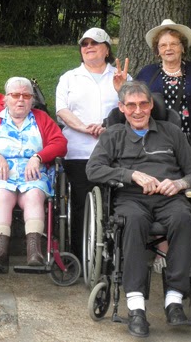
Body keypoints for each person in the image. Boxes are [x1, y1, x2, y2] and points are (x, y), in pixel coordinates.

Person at [86, 80, 191, 338]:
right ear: (122, 107)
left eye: (143, 104)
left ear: (151, 105)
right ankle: (136, 307)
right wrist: (131, 175)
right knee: (133, 222)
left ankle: (174, 300)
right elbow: (93, 170)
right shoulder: (113, 135)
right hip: (131, 198)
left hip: (169, 197)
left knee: (185, 220)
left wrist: (180, 183)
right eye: (131, 105)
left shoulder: (172, 132)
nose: (137, 110)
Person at [0, 77, 67, 268]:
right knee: (2, 196)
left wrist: (38, 157)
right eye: (15, 95)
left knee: (34, 195)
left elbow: (60, 144)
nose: (21, 99)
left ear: (32, 100)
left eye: (26, 95)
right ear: (6, 98)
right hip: (0, 176)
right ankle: (0, 251)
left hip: (34, 176)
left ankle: (34, 252)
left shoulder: (41, 119)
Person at [55, 27, 129, 261]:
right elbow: (61, 110)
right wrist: (83, 127)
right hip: (78, 150)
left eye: (94, 43)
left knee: (116, 203)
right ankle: (79, 255)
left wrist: (109, 126)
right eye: (84, 44)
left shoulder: (121, 77)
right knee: (80, 204)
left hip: (114, 150)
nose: (88, 47)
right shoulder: (69, 77)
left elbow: (133, 109)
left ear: (107, 49)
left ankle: (114, 254)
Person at [137, 19, 191, 132]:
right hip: (157, 136)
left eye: (173, 44)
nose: (168, 48)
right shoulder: (147, 73)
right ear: (157, 51)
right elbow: (135, 100)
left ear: (182, 47)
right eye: (163, 45)